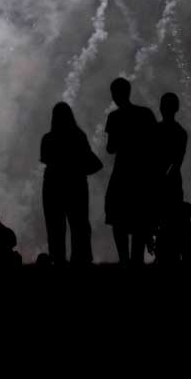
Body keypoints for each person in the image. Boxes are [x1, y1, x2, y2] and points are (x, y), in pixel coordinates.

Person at [40, 102, 101, 264]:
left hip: (52, 186)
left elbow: (45, 159)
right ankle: (81, 259)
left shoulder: (48, 138)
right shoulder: (79, 136)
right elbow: (88, 158)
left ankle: (58, 259)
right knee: (80, 225)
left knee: (54, 227)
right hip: (76, 184)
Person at [104, 78, 157, 264]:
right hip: (142, 175)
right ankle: (136, 260)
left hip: (122, 173)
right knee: (140, 221)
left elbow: (110, 148)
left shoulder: (114, 117)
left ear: (114, 94)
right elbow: (154, 144)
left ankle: (123, 260)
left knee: (118, 219)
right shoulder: (146, 114)